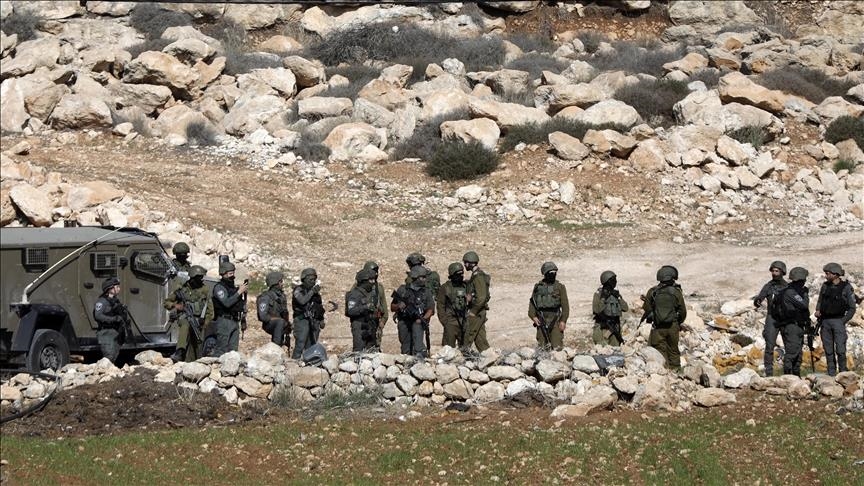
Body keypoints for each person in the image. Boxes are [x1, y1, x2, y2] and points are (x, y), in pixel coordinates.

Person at [642, 265, 686, 371]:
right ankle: (676, 371)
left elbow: (647, 309)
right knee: (673, 350)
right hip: (672, 326)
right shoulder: (676, 292)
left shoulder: (652, 291)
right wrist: (677, 322)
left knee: (659, 350)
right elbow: (683, 312)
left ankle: (663, 371)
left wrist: (655, 316)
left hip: (658, 327)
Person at [815, 263, 857, 376]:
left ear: (835, 274)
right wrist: (818, 310)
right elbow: (820, 301)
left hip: (838, 320)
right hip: (825, 321)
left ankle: (843, 372)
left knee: (840, 349)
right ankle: (831, 373)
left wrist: (843, 321)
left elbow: (852, 308)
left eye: (828, 273)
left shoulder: (846, 287)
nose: (826, 276)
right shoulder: (825, 286)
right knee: (828, 350)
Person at [165, 265, 212, 362]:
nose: (201, 280)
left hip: (198, 321)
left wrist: (205, 323)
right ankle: (179, 351)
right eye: (199, 278)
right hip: (185, 317)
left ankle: (193, 362)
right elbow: (166, 303)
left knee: (197, 346)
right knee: (185, 325)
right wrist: (176, 305)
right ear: (193, 278)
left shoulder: (205, 289)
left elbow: (210, 309)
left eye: (201, 277)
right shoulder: (182, 288)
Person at [752, 261, 788, 376]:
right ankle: (769, 373)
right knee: (769, 345)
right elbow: (760, 298)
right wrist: (757, 301)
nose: (774, 273)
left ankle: (789, 372)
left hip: (785, 319)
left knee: (788, 345)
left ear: (782, 272)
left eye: (776, 271)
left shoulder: (787, 286)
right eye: (773, 271)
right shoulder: (768, 286)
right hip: (772, 317)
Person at [774, 267, 811, 376]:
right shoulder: (791, 292)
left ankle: (796, 376)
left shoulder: (791, 290)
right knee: (792, 353)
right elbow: (804, 305)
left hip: (795, 325)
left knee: (798, 354)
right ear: (800, 280)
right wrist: (805, 294)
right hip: (791, 326)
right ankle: (788, 377)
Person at [391, 266, 435, 358]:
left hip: (417, 321)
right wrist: (399, 306)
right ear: (415, 277)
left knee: (418, 348)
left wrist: (423, 319)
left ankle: (419, 359)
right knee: (405, 348)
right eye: (422, 277)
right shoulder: (403, 290)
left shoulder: (426, 292)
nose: (425, 279)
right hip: (404, 321)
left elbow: (430, 309)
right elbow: (392, 307)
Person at [529, 262, 569, 350]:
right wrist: (533, 317)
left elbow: (565, 307)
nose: (553, 274)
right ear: (545, 274)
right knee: (542, 347)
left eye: (555, 272)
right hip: (541, 320)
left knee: (557, 346)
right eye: (551, 273)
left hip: (555, 320)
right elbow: (532, 303)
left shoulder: (560, 287)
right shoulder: (538, 287)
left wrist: (563, 321)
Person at [210, 261, 247, 356]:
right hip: (224, 321)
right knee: (221, 350)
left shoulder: (232, 288)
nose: (233, 276)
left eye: (233, 273)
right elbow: (226, 303)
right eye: (230, 273)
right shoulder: (219, 288)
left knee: (233, 351)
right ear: (223, 274)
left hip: (234, 320)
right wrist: (239, 292)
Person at [292, 268, 326, 360]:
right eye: (310, 279)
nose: (313, 282)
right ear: (304, 279)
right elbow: (302, 301)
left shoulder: (315, 294)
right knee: (300, 343)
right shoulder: (298, 290)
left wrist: (321, 319)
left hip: (313, 321)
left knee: (312, 345)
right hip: (301, 319)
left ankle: (310, 362)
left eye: (314, 279)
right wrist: (312, 292)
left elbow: (319, 307)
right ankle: (294, 361)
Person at [93, 276, 127, 363]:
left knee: (114, 357)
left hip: (115, 332)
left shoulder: (115, 301)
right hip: (106, 333)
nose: (119, 289)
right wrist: (114, 319)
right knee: (109, 357)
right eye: (117, 287)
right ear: (110, 289)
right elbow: (98, 316)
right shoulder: (102, 301)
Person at [462, 250, 491, 353]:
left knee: (467, 336)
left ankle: (462, 357)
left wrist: (473, 311)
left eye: (466, 262)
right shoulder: (476, 275)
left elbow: (481, 297)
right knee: (480, 339)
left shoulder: (478, 276)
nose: (465, 265)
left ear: (471, 263)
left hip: (477, 312)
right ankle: (488, 356)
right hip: (479, 312)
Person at [436, 262, 469, 348]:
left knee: (465, 348)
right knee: (448, 349)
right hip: (450, 321)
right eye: (458, 274)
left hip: (464, 320)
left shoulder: (466, 286)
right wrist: (445, 322)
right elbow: (440, 305)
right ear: (452, 275)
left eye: (462, 274)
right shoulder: (445, 287)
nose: (460, 276)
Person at [346, 268, 379, 352]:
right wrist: (365, 307)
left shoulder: (371, 293)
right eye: (370, 280)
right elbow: (351, 311)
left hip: (370, 325)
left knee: (372, 350)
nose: (373, 282)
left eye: (374, 280)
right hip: (359, 326)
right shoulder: (354, 294)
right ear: (363, 281)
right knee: (359, 351)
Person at [592, 270, 628, 346]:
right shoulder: (599, 294)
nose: (615, 282)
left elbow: (625, 308)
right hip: (603, 328)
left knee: (615, 350)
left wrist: (619, 298)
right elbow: (596, 310)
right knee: (602, 350)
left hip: (615, 328)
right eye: (613, 280)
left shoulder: (616, 294)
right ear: (607, 281)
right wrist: (603, 298)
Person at [257, 271, 290, 351]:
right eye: (280, 282)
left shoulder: (282, 296)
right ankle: (276, 347)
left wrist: (287, 324)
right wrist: (278, 320)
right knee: (280, 322)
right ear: (275, 283)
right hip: (269, 324)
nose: (282, 284)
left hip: (280, 324)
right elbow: (263, 316)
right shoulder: (265, 297)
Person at [362, 261, 389, 350]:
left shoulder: (379, 287)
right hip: (363, 322)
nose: (375, 274)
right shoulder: (358, 286)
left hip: (376, 321)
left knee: (375, 348)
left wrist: (383, 321)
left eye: (376, 272)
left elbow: (384, 307)